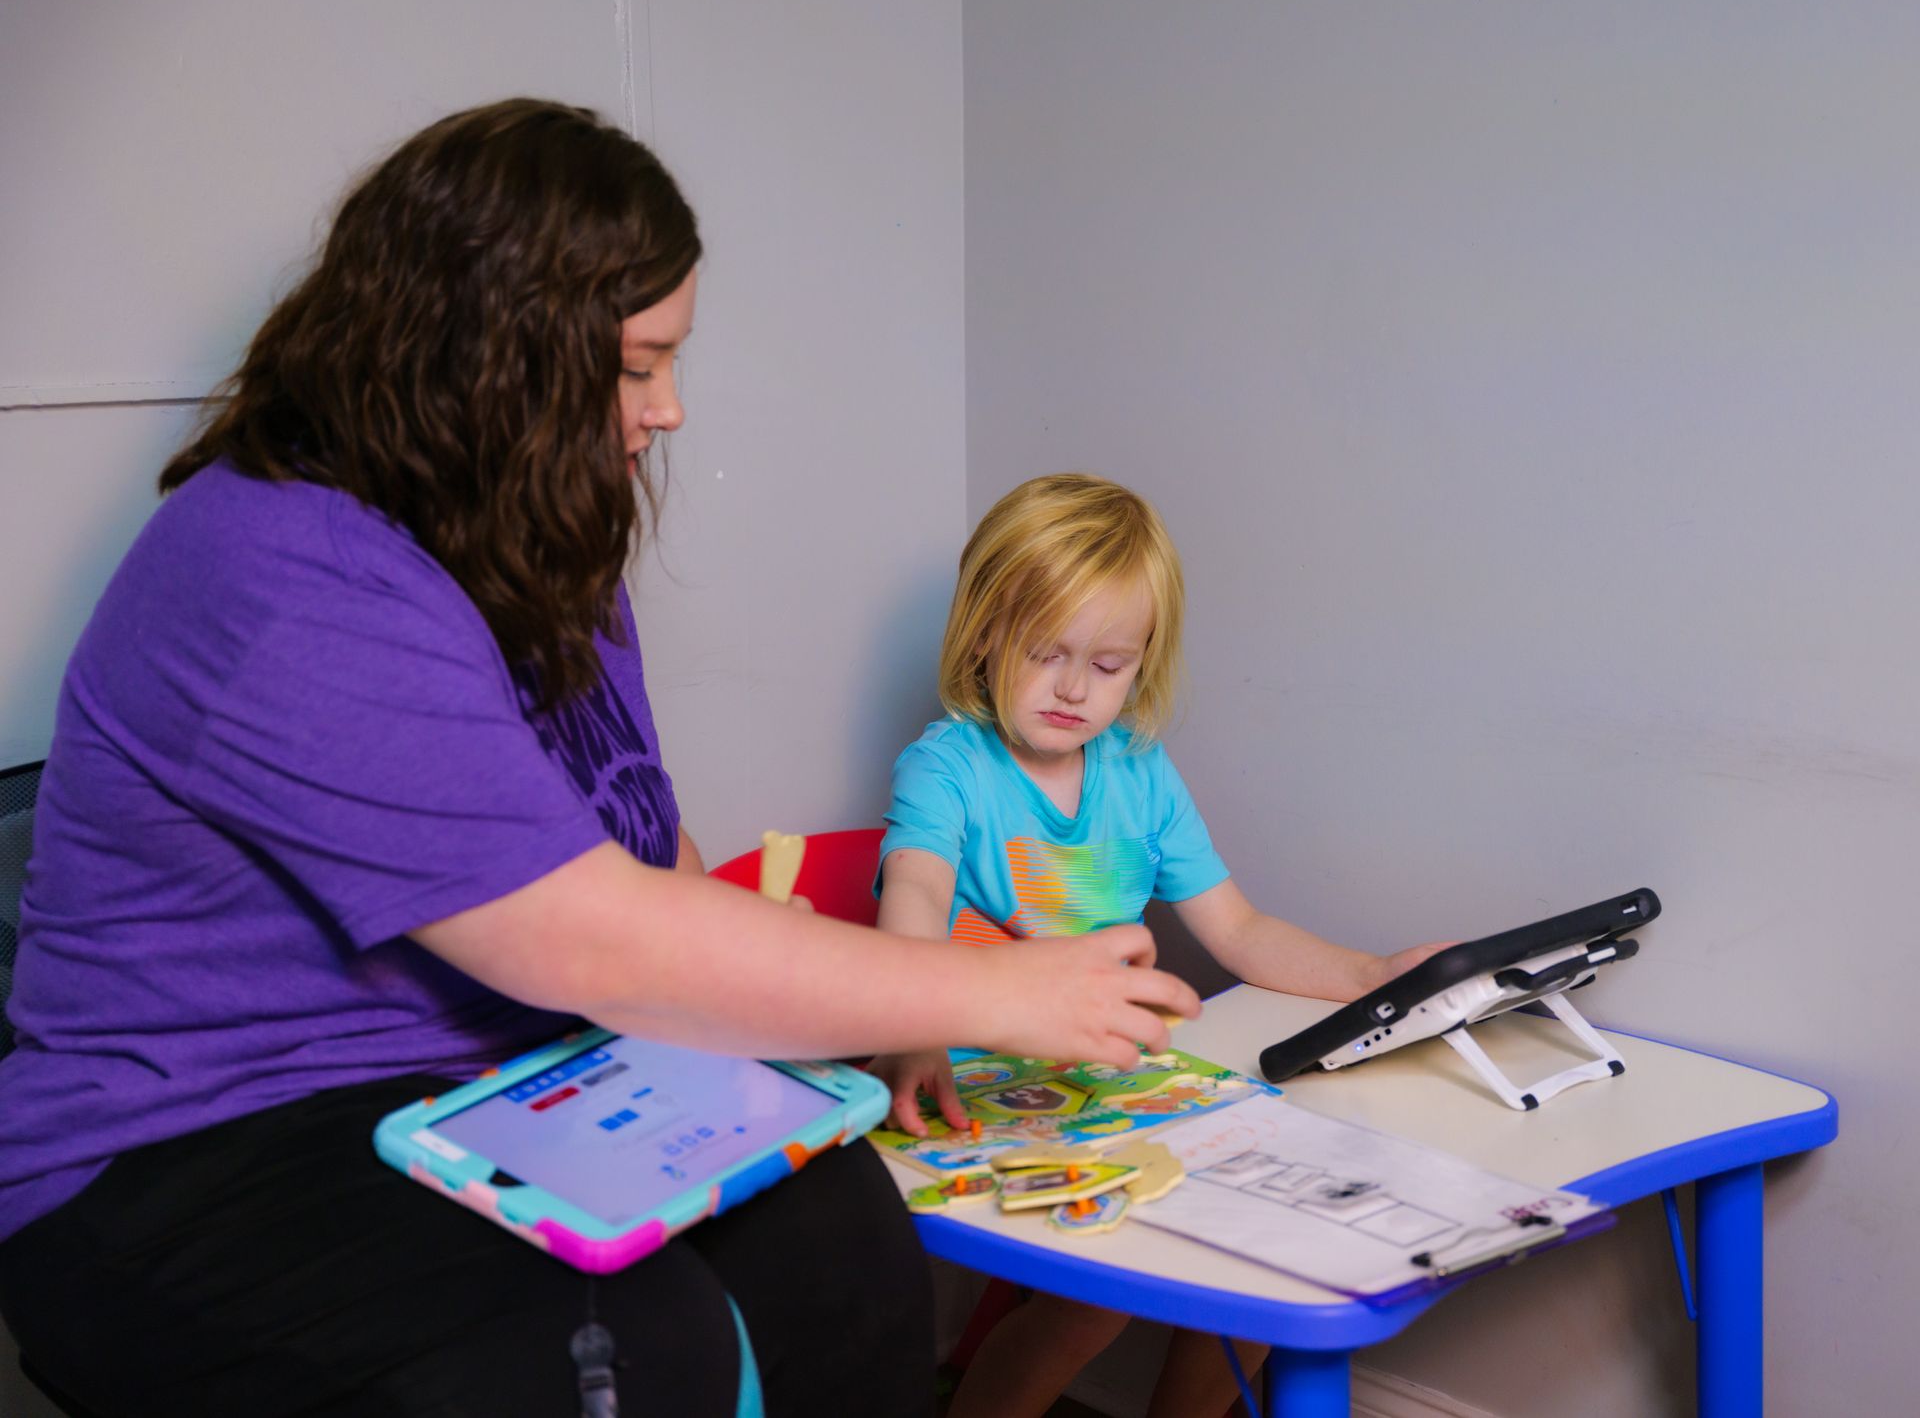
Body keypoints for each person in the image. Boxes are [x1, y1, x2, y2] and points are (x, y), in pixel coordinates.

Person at [0, 103, 1200, 1418]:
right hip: (188, 1154)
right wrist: (987, 993)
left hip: (479, 1091)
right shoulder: (279, 568)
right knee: (633, 1342)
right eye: (638, 365)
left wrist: (863, 1023)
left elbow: (654, 867)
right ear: (492, 351)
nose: (670, 409)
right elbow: (594, 941)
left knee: (843, 1229)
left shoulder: (539, 546)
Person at [871, 473, 1445, 1418]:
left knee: (1275, 1261)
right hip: (967, 1077)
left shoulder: (1138, 771)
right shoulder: (949, 766)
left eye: (1107, 665)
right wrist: (916, 1016)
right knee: (1090, 1309)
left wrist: (1374, 975)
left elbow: (1241, 930)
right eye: (1044, 652)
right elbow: (916, 891)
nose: (1072, 689)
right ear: (982, 632)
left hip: (1104, 1077)